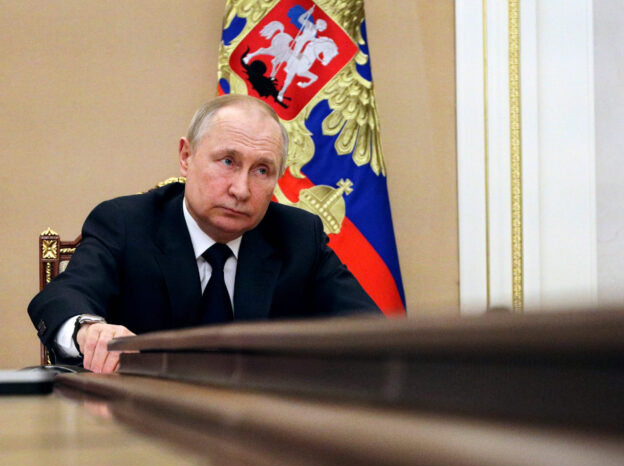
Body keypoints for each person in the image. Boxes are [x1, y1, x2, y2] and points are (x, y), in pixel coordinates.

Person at [28, 94, 380, 373]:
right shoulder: (125, 222)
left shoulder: (299, 236)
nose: (241, 190)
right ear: (186, 156)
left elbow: (368, 330)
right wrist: (90, 330)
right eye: (227, 161)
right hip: (139, 429)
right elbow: (63, 296)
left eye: (261, 170)